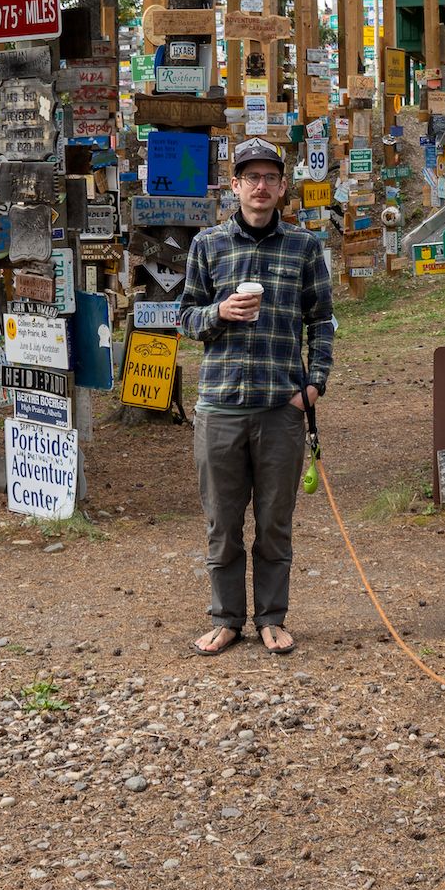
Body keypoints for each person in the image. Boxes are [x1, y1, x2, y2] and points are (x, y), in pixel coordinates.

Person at [178, 138, 335, 656]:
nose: (261, 186)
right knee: (222, 524)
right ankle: (226, 619)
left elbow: (323, 321)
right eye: (252, 178)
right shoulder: (208, 245)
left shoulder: (305, 247)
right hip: (220, 408)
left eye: (270, 177)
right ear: (236, 185)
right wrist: (219, 313)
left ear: (283, 186)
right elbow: (185, 317)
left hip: (280, 411)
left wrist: (313, 385)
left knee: (273, 523)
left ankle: (271, 617)